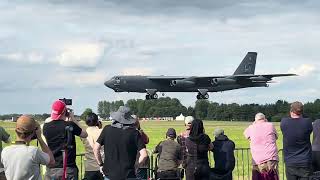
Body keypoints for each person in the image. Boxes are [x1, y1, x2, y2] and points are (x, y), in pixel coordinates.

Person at [94, 106, 148, 180]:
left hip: (109, 174)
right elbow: (144, 155)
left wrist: (101, 164)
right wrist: (136, 166)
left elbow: (96, 148)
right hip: (129, 175)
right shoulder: (134, 133)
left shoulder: (107, 129)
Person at [43, 100, 88, 180]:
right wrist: (73, 119)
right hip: (68, 167)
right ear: (65, 111)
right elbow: (84, 134)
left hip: (52, 168)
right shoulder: (70, 125)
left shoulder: (46, 127)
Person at [1, 115, 55, 180]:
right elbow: (51, 162)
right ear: (33, 133)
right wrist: (40, 138)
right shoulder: (34, 152)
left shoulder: (5, 151)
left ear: (16, 131)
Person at [281, 102, 313, 180]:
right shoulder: (308, 122)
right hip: (305, 161)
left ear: (291, 111)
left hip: (290, 161)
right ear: (302, 112)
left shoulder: (284, 122)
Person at [244, 113, 279, 180]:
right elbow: (276, 137)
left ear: (255, 120)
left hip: (257, 159)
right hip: (271, 157)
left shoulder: (251, 127)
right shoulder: (270, 125)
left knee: (258, 177)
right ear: (265, 119)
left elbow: (246, 135)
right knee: (273, 177)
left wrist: (254, 123)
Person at [81, 112, 104, 180]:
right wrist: (99, 127)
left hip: (89, 166)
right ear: (97, 121)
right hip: (102, 164)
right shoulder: (102, 131)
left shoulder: (85, 132)